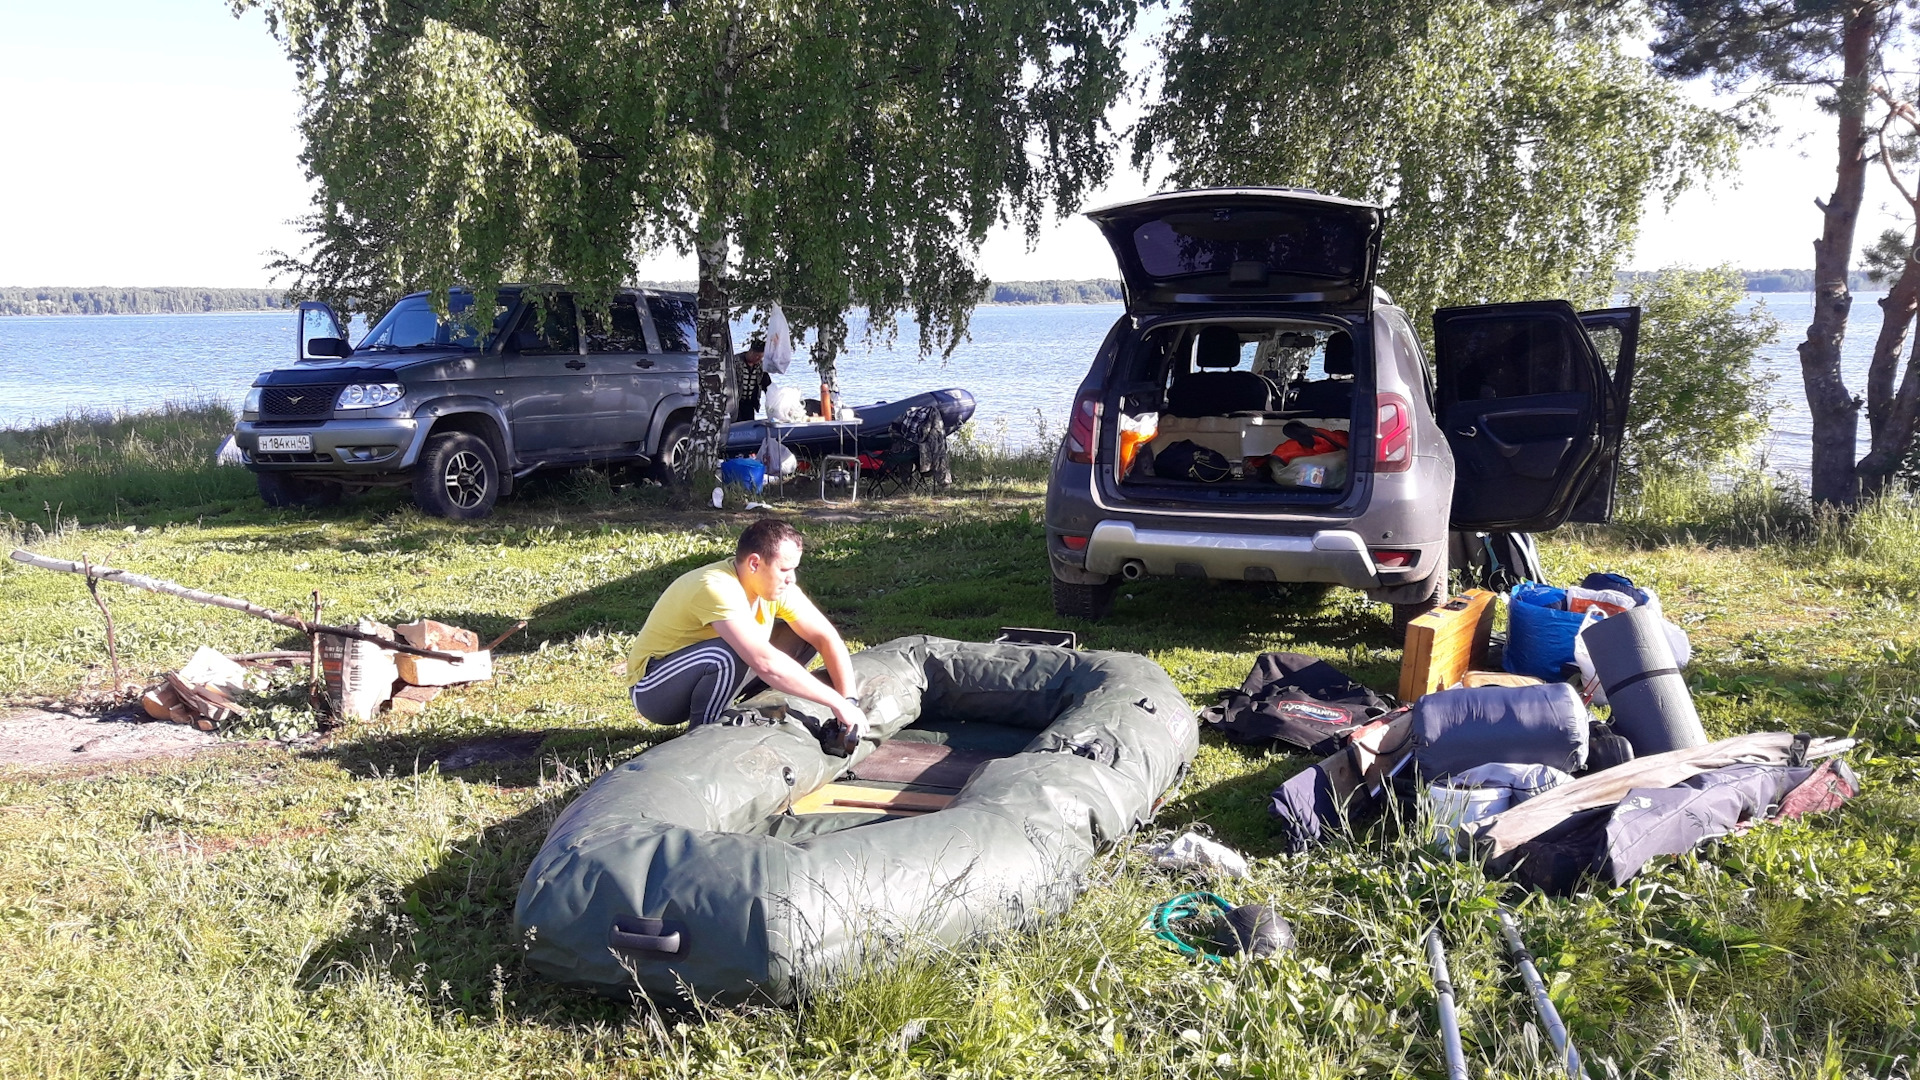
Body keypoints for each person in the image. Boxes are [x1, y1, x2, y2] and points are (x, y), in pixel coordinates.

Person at [625, 518, 865, 735]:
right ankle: (703, 736)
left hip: (708, 675)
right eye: (784, 570)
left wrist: (849, 702)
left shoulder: (778, 587)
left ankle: (752, 717)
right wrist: (835, 702)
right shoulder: (716, 587)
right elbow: (764, 662)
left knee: (804, 636)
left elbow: (826, 637)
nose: (792, 578)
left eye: (794, 569)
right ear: (754, 564)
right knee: (728, 654)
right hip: (653, 689)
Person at [733, 333, 773, 422]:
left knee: (749, 425)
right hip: (736, 403)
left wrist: (773, 399)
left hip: (750, 404)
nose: (759, 359)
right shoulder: (735, 362)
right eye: (757, 356)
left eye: (761, 357)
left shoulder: (761, 366)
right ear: (751, 351)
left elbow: (767, 385)